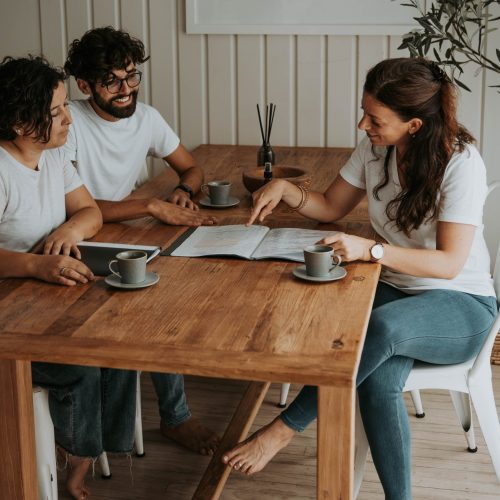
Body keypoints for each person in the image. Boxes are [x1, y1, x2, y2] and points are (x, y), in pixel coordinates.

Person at [221, 57, 498, 499]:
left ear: (413, 125)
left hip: (460, 304)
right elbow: (331, 206)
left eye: (375, 118)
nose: (362, 124)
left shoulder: (460, 163)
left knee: (381, 330)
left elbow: (448, 263)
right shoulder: (375, 149)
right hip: (393, 289)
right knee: (378, 382)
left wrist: (372, 250)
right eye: (364, 111)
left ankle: (281, 429)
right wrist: (287, 191)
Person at [62, 26, 219, 456]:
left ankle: (172, 416)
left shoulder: (146, 118)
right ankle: (174, 418)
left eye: (131, 76)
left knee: (169, 296)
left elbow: (192, 167)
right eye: (111, 81)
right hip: (78, 242)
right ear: (85, 85)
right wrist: (148, 207)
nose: (126, 89)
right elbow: (71, 206)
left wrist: (182, 192)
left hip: (125, 240)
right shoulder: (68, 122)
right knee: (149, 302)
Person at [0, 55, 137, 500]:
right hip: (10, 313)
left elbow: (89, 211)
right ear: (21, 122)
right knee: (77, 364)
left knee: (121, 347)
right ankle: (75, 458)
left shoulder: (52, 157)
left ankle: (97, 449)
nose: (68, 120)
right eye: (57, 111)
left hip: (49, 297)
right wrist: (36, 265)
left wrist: (66, 230)